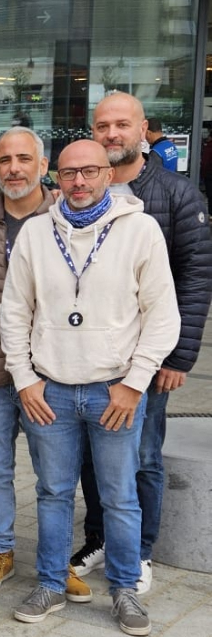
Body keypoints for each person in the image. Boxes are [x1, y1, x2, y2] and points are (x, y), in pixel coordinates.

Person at [1, 139, 180, 636]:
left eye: (90, 172)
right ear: (55, 177)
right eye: (68, 174)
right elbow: (13, 312)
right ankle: (52, 584)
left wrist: (136, 382)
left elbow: (162, 315)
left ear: (109, 174)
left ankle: (124, 589)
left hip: (114, 391)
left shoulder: (140, 230)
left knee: (120, 497)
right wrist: (25, 378)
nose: (78, 182)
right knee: (52, 493)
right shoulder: (37, 233)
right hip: (50, 392)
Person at [72, 92, 212, 595]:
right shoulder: (83, 192)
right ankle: (99, 538)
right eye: (103, 125)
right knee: (92, 455)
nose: (112, 134)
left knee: (145, 457)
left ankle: (141, 549)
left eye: (122, 125)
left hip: (149, 360)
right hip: (91, 357)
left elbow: (196, 279)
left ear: (143, 129)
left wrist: (180, 356)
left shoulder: (177, 195)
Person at [0, 127, 93, 601]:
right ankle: (0, 551)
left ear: (44, 167)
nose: (13, 168)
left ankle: (57, 562)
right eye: (4, 160)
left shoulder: (69, 219)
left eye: (24, 159)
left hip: (49, 376)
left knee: (54, 477)